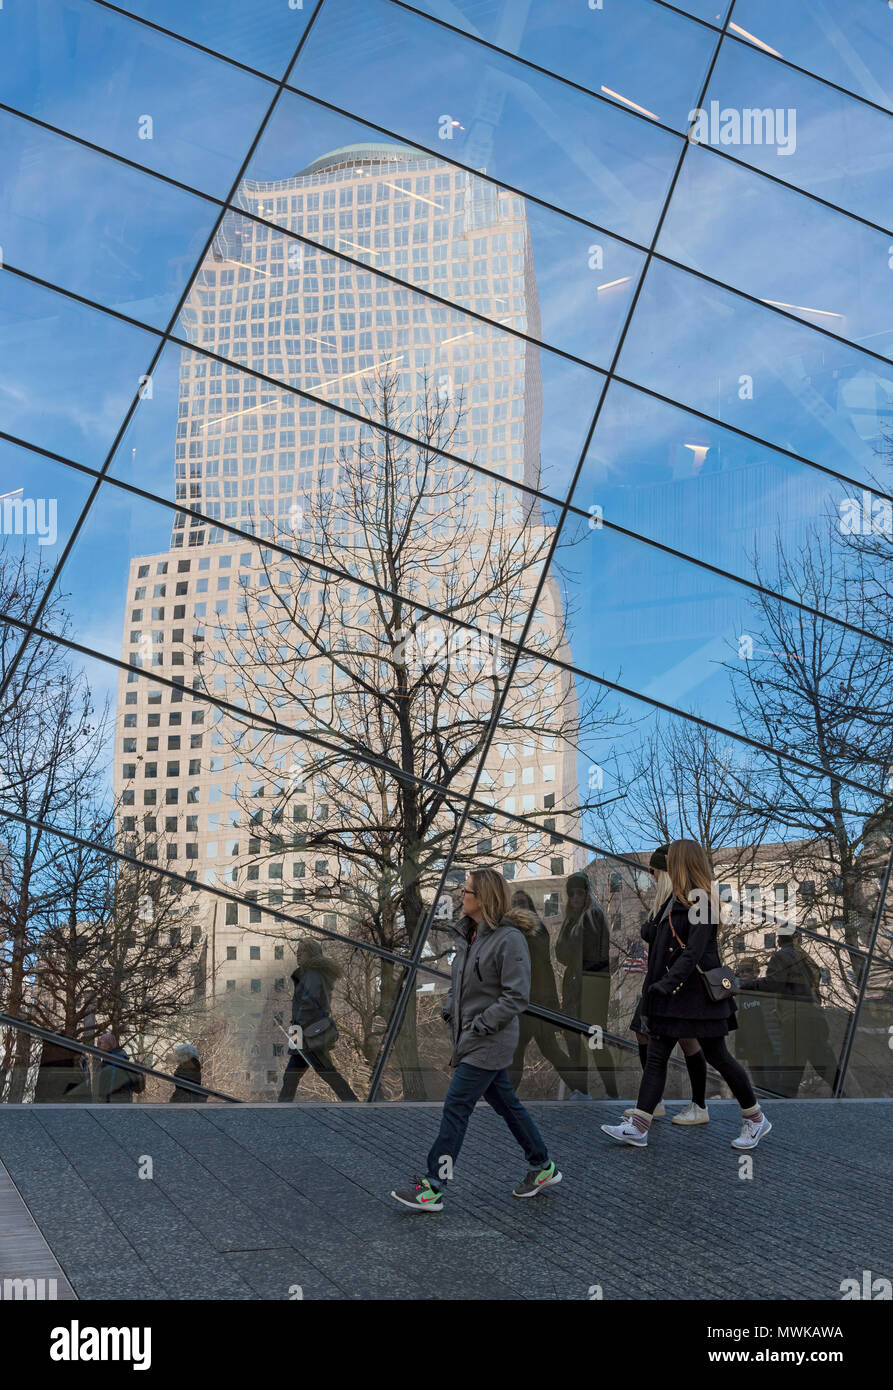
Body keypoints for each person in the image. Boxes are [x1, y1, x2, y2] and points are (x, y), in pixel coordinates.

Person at [391, 868, 562, 1211]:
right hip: (470, 1037)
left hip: (489, 1040)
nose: (461, 896)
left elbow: (516, 997)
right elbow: (461, 983)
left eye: (467, 891)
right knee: (506, 1104)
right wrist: (449, 1010)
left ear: (483, 898)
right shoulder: (470, 936)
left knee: (457, 1106)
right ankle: (542, 1165)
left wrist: (481, 1024)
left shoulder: (509, 939)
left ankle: (433, 1185)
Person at [601, 839, 772, 1151]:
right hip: (675, 997)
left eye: (672, 861)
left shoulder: (702, 901)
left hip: (696, 997)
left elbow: (692, 954)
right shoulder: (676, 900)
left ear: (683, 863)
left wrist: (664, 985)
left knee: (719, 1056)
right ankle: (639, 1126)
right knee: (656, 1056)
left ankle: (755, 1118)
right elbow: (660, 938)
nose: (664, 868)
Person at [624, 846, 709, 1125]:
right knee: (647, 1035)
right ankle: (654, 1105)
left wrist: (668, 982)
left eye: (655, 870)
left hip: (673, 983)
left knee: (688, 1043)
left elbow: (690, 949)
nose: (652, 875)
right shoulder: (670, 901)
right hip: (663, 982)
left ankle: (694, 1104)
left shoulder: (685, 901)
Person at [748, 925, 840, 1094]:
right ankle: (845, 1098)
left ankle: (785, 1108)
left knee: (791, 1068)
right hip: (816, 1016)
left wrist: (745, 985)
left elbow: (773, 983)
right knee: (824, 1064)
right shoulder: (807, 959)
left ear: (779, 940)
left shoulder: (781, 955)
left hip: (796, 1019)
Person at [506, 889, 578, 1094]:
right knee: (529, 1049)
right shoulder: (529, 931)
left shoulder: (531, 931)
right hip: (529, 1002)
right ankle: (579, 1087)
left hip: (535, 1003)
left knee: (537, 1049)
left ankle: (579, 1087)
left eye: (522, 902)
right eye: (515, 902)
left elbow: (535, 965)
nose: (518, 905)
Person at [556, 872, 618, 1099]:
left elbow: (584, 953)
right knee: (575, 1039)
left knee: (594, 1040)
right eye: (571, 893)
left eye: (579, 892)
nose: (574, 897)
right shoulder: (573, 918)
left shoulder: (591, 916)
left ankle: (611, 1093)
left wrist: (573, 957)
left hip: (590, 985)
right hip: (576, 984)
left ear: (586, 893)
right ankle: (583, 1091)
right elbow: (561, 952)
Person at [277, 938, 358, 1103]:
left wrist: (298, 1027)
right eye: (297, 951)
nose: (298, 954)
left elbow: (309, 1002)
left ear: (312, 953)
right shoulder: (311, 973)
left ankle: (353, 1103)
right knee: (293, 1076)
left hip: (308, 1032)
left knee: (324, 1073)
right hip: (304, 1032)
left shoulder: (313, 974)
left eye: (302, 950)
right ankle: (281, 1108)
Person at [733, 958, 779, 1093]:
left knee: (772, 1083)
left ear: (756, 973)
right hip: (750, 1046)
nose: (744, 974)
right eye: (740, 972)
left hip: (768, 1045)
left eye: (748, 971)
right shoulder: (739, 995)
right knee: (759, 1086)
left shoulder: (765, 990)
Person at [96, 1032, 145, 1103]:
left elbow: (138, 1088)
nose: (98, 1045)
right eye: (98, 1043)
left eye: (100, 1043)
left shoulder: (117, 1062)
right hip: (112, 1103)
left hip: (118, 1103)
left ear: (109, 1045)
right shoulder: (106, 1062)